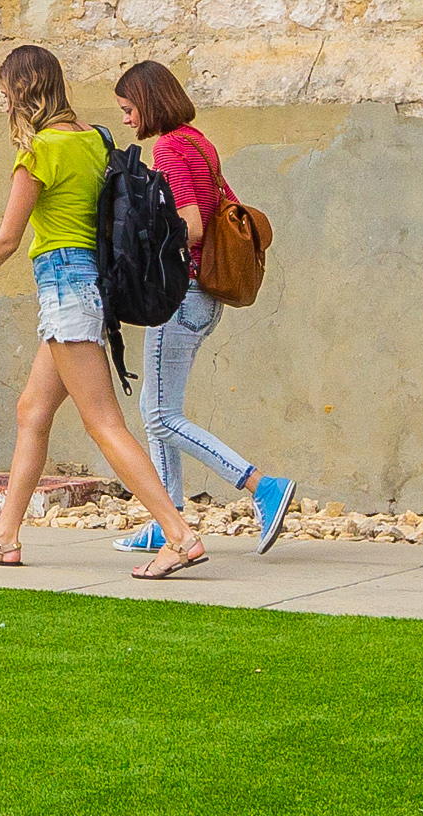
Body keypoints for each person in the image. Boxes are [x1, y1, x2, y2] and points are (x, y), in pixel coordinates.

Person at [0, 45, 205, 575]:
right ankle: (4, 537)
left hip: (65, 289)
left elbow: (7, 240)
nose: (3, 104)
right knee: (33, 410)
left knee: (103, 423)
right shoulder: (96, 139)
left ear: (22, 94)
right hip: (90, 287)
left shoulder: (40, 152)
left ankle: (179, 533)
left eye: (6, 95)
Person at [107, 61, 296, 560]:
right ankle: (166, 520)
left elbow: (190, 226)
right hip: (203, 296)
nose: (126, 120)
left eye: (129, 109)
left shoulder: (169, 146)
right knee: (154, 407)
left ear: (149, 102)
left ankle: (261, 485)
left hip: (183, 294)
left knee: (163, 415)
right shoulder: (197, 141)